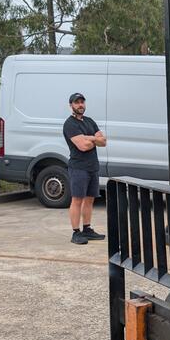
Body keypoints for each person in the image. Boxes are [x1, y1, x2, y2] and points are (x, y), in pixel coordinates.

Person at [62, 92, 107, 244]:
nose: (80, 105)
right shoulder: (70, 124)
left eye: (82, 102)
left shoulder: (89, 121)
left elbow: (104, 141)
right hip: (78, 168)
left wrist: (89, 138)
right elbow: (83, 146)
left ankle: (87, 229)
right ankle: (76, 233)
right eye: (77, 102)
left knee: (89, 200)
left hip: (92, 167)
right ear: (71, 105)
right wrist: (94, 138)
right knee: (77, 200)